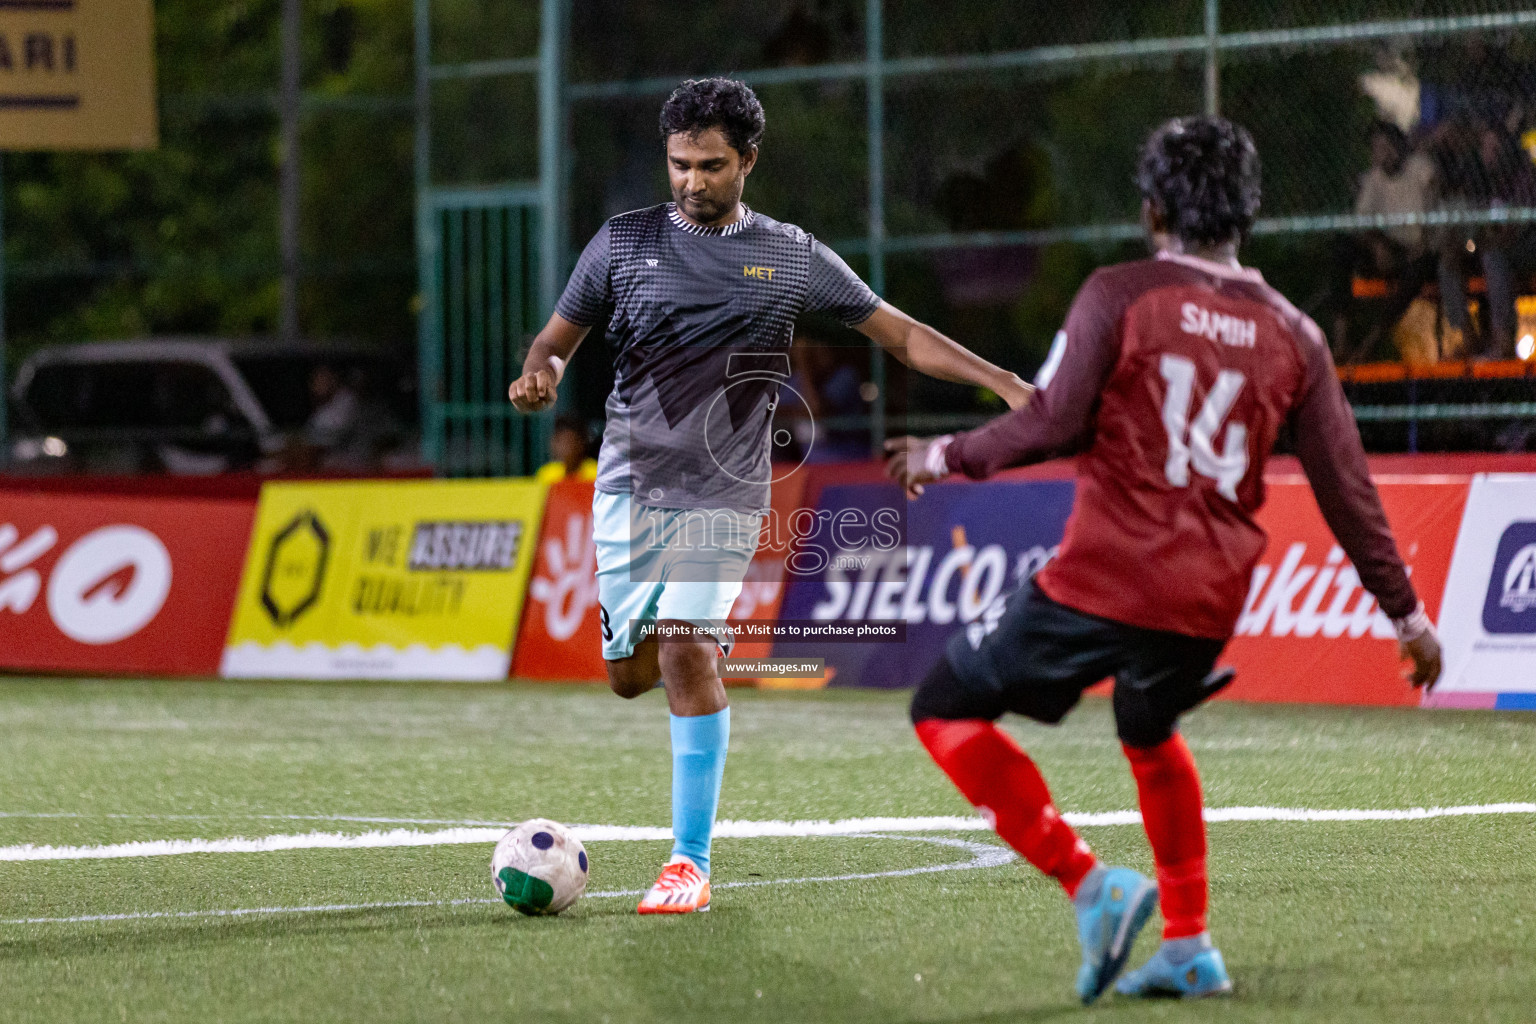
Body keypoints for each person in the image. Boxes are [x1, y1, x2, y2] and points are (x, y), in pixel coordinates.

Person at [885, 115, 1443, 1003]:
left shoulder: (1120, 293)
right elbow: (1348, 488)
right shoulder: (1295, 331)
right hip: (1210, 595)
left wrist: (942, 454)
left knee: (943, 709)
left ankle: (1090, 882)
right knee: (1148, 727)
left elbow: (1053, 419)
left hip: (1108, 575)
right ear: (1247, 212)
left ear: (1152, 210)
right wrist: (1409, 618)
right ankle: (1188, 944)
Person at [508, 77, 1031, 915]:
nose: (691, 182)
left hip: (725, 490)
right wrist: (542, 374)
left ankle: (689, 862)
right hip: (628, 487)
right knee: (626, 675)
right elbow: (555, 340)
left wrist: (1004, 383)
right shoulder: (622, 242)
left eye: (711, 166)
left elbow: (901, 335)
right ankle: (688, 681)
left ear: (748, 160)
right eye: (679, 165)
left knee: (684, 649)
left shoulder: (789, 256)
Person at [1335, 121, 1439, 362]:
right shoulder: (1374, 178)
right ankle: (1341, 340)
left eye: (1386, 146)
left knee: (1419, 268)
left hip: (1418, 249)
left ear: (1399, 146)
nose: (1382, 153)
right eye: (1377, 148)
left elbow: (1432, 201)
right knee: (1342, 247)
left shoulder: (1419, 167)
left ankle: (1369, 344)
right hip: (1387, 246)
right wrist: (1377, 245)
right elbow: (1361, 224)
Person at [534, 415, 599, 483]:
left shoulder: (596, 473)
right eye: (558, 441)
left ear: (581, 444)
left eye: (567, 442)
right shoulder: (546, 474)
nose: (561, 448)